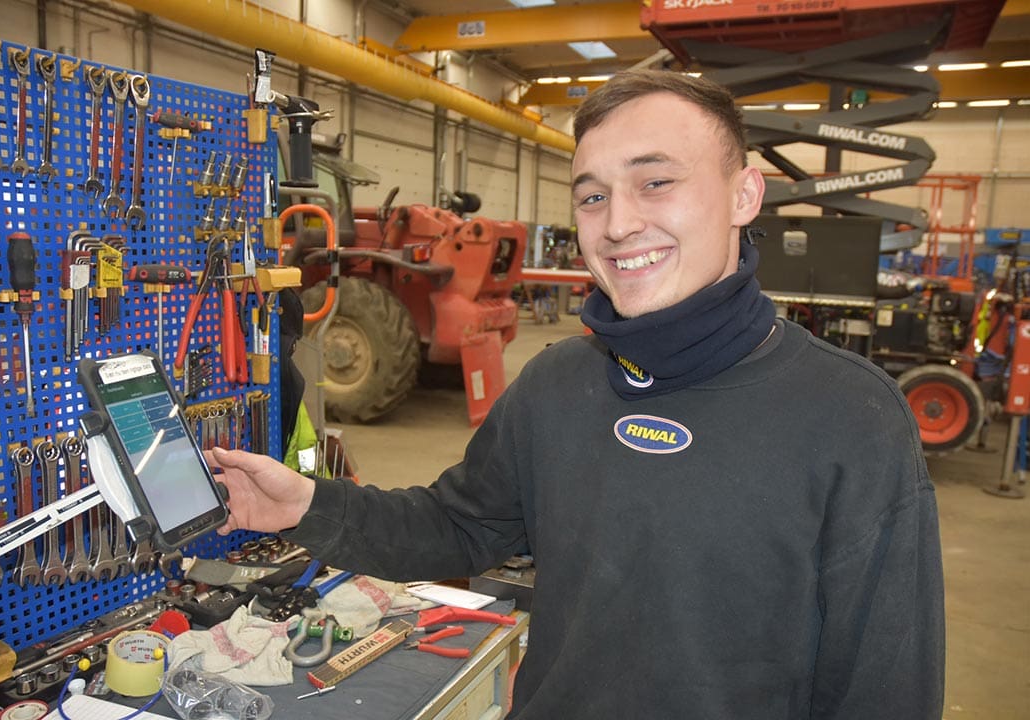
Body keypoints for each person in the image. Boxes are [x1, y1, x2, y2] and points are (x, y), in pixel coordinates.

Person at [207, 69, 945, 719]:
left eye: (656, 181)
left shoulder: (852, 417)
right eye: (592, 196)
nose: (619, 224)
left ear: (744, 193)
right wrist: (305, 506)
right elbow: (457, 527)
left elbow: (884, 689)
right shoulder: (559, 383)